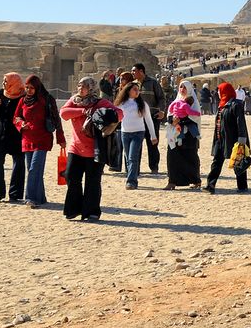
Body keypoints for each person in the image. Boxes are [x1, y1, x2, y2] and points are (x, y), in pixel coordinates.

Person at [59, 76, 120, 221]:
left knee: (92, 181)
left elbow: (119, 114)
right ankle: (73, 209)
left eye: (84, 86)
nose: (80, 88)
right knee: (72, 177)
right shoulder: (74, 101)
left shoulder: (100, 103)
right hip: (76, 148)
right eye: (79, 85)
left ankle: (91, 212)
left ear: (91, 88)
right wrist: (82, 111)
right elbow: (63, 113)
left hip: (95, 149)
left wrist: (105, 116)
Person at [13, 74, 65, 208]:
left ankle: (30, 198)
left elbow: (56, 119)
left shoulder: (46, 99)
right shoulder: (23, 101)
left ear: (37, 87)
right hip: (27, 139)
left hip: (43, 139)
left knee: (34, 169)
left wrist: (61, 138)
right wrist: (20, 124)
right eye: (27, 87)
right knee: (34, 170)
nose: (29, 90)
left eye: (31, 88)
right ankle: (40, 197)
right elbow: (16, 117)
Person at [0, 73, 26, 202]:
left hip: (17, 134)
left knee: (19, 164)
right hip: (0, 133)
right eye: (4, 80)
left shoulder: (24, 96)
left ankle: (15, 194)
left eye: (6, 81)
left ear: (15, 83)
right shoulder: (0, 93)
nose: (4, 83)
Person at [114, 80, 158, 190]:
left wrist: (153, 135)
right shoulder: (121, 104)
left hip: (138, 133)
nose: (137, 91)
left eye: (138, 89)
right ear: (128, 90)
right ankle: (131, 177)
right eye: (134, 89)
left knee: (133, 157)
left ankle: (131, 181)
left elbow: (148, 120)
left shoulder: (143, 104)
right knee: (127, 157)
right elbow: (115, 118)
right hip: (125, 133)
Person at [206, 82, 249, 193]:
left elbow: (241, 123)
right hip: (220, 139)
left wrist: (242, 140)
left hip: (233, 139)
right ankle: (210, 185)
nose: (219, 93)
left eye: (220, 91)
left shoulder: (236, 104)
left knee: (238, 162)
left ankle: (242, 186)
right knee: (216, 162)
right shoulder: (221, 105)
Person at [164, 80, 202, 189]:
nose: (182, 90)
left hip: (189, 133)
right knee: (172, 155)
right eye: (180, 87)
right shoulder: (176, 101)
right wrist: (172, 120)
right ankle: (172, 182)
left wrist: (181, 119)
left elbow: (196, 116)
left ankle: (195, 181)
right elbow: (170, 114)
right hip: (175, 133)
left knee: (190, 157)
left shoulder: (193, 102)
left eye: (184, 87)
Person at [131, 63, 166, 175]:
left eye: (134, 71)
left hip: (152, 117)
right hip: (137, 119)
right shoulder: (133, 84)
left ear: (141, 71)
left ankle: (154, 167)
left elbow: (161, 98)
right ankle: (136, 169)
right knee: (137, 144)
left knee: (153, 142)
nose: (132, 73)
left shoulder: (153, 83)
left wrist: (161, 111)